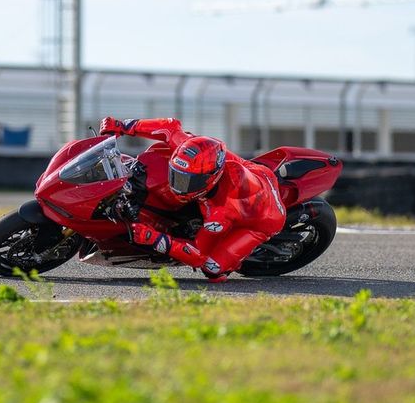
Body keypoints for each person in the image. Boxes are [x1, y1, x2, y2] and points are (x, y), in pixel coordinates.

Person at [99, 116, 286, 283]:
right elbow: (169, 127)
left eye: (187, 181)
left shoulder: (220, 214)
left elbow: (198, 255)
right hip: (255, 172)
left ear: (210, 179)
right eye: (177, 175)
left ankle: (234, 260)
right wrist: (122, 125)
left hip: (266, 218)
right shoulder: (190, 150)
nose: (178, 185)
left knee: (212, 268)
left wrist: (154, 238)